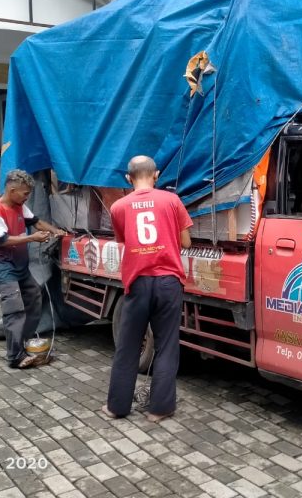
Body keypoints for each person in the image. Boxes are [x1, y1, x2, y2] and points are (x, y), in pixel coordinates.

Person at [102, 155, 192, 423]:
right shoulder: (172, 201)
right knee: (166, 346)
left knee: (128, 347)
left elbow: (125, 241)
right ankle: (159, 409)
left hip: (137, 283)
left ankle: (116, 407)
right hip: (168, 282)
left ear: (128, 178)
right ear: (157, 175)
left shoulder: (118, 207)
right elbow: (185, 242)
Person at [0, 169, 67, 369]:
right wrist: (32, 238)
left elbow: (36, 221)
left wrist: (55, 231)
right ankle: (15, 357)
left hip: (20, 265)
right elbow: (1, 240)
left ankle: (24, 342)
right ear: (11, 190)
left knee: (34, 297)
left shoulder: (20, 206)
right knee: (14, 311)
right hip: (2, 267)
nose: (27, 196)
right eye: (25, 193)